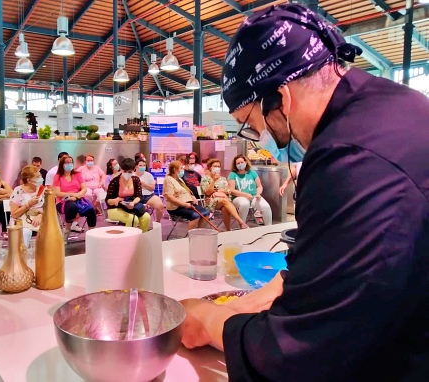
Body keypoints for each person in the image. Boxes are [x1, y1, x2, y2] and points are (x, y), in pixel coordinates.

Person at [180, 4, 429, 382]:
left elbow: (303, 351)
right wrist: (251, 302)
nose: (259, 139)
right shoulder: (392, 105)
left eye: (250, 124)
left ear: (280, 98)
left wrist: (211, 321)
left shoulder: (353, 160)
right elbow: (336, 262)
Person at [52, 155, 97, 237]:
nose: (69, 164)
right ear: (62, 164)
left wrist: (77, 196)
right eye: (66, 162)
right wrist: (72, 195)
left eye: (70, 162)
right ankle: (67, 229)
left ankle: (92, 234)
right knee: (72, 207)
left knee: (91, 209)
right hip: (63, 201)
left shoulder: (77, 174)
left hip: (78, 198)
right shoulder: (58, 176)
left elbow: (84, 188)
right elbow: (57, 193)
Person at [200, 159, 248, 231]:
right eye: (215, 166)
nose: (217, 168)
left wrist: (218, 192)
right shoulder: (205, 178)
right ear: (210, 167)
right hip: (210, 202)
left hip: (223, 200)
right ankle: (241, 222)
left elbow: (228, 190)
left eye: (218, 166)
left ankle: (228, 230)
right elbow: (207, 192)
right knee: (224, 201)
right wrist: (214, 181)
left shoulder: (223, 178)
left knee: (225, 208)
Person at [105, 158, 151, 233]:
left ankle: (141, 238)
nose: (127, 173)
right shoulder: (115, 182)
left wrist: (133, 203)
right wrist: (116, 200)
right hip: (115, 208)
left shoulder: (136, 180)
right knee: (133, 219)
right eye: (124, 171)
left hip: (132, 207)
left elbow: (139, 196)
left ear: (134, 170)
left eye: (129, 172)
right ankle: (128, 240)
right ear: (121, 169)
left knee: (146, 217)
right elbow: (108, 200)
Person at [163, 161, 209, 231]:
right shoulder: (168, 180)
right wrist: (185, 204)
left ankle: (199, 233)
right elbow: (170, 197)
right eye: (181, 168)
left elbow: (186, 190)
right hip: (176, 207)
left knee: (206, 213)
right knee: (195, 216)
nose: (183, 170)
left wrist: (192, 196)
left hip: (188, 203)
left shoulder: (179, 179)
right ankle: (190, 237)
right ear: (175, 170)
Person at [228, 155, 272, 225]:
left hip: (253, 196)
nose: (240, 165)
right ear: (235, 165)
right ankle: (242, 225)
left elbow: (259, 186)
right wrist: (245, 195)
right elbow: (231, 190)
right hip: (238, 198)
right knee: (245, 203)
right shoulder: (232, 174)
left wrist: (258, 193)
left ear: (245, 162)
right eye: (238, 163)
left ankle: (269, 227)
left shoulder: (252, 173)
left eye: (241, 162)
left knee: (266, 207)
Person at [10, 165, 45, 247]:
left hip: (40, 219)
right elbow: (14, 214)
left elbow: (48, 207)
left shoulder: (43, 189)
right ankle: (23, 255)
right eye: (37, 177)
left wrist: (40, 215)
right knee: (26, 232)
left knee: (51, 230)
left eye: (40, 176)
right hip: (21, 219)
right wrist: (29, 204)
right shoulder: (18, 191)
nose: (41, 179)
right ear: (29, 180)